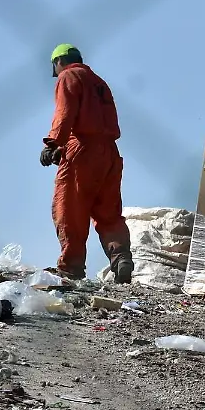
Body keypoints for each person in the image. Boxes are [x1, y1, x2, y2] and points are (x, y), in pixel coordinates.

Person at [41, 44, 133, 283]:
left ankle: (71, 267)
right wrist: (62, 148)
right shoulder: (99, 82)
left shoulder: (68, 76)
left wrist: (54, 143)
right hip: (110, 153)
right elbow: (96, 122)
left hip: (82, 151)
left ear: (58, 61)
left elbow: (65, 112)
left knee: (70, 209)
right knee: (109, 213)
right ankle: (121, 257)